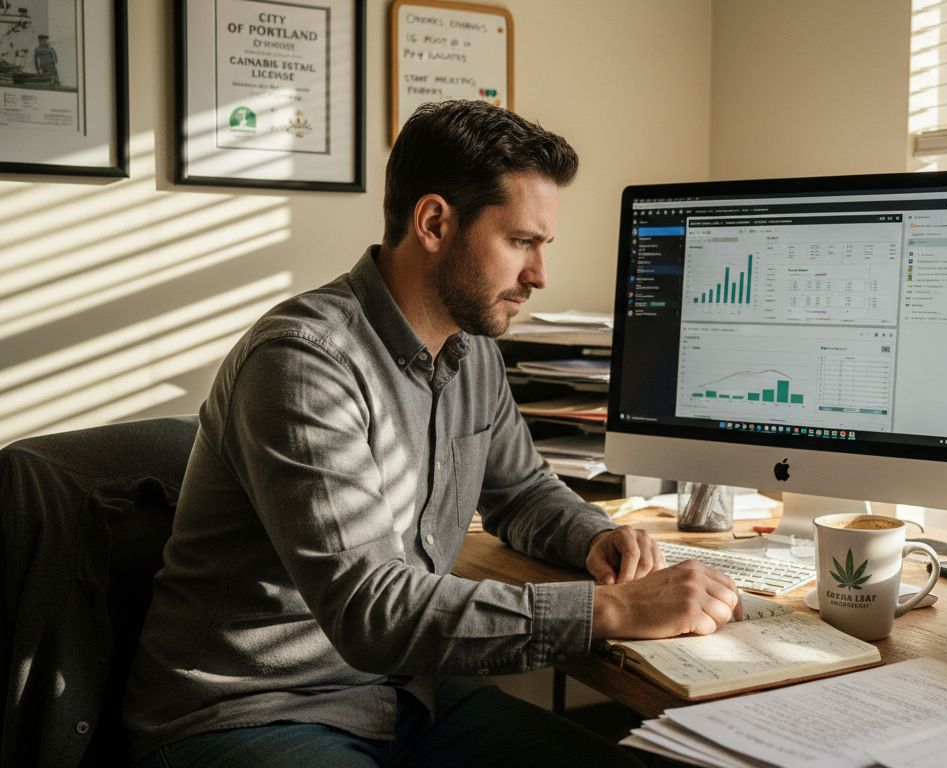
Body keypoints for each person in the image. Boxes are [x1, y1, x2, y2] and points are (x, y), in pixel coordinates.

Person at [123, 100, 742, 767]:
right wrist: (610, 611)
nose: (539, 275)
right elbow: (372, 610)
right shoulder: (303, 363)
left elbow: (524, 492)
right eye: (521, 242)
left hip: (404, 699)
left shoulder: (471, 352)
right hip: (251, 713)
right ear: (435, 222)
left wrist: (595, 538)